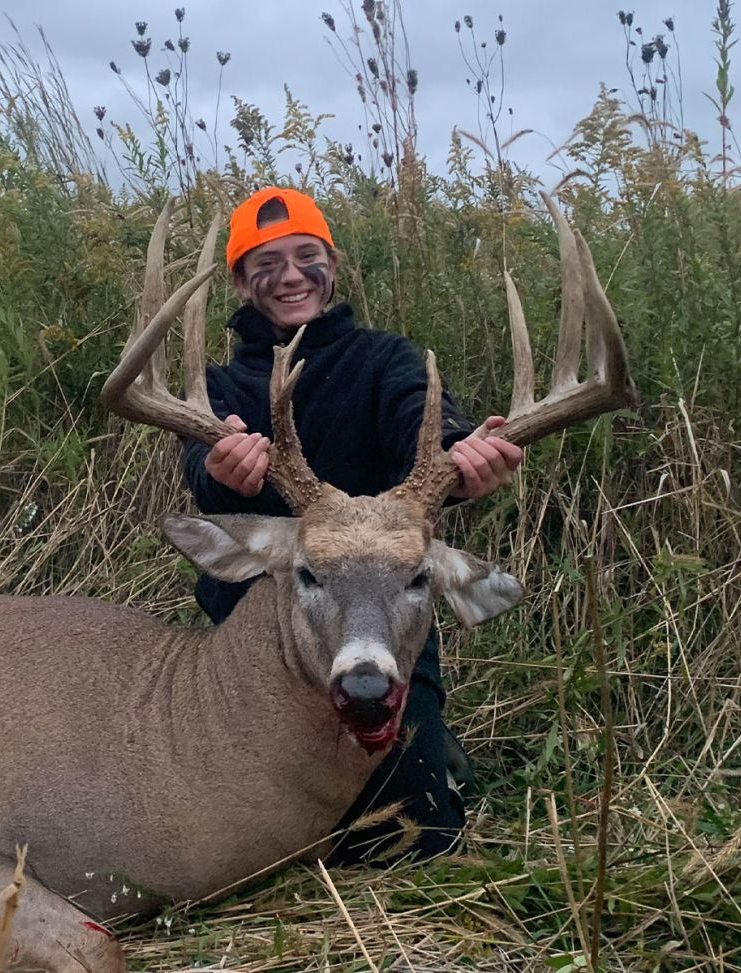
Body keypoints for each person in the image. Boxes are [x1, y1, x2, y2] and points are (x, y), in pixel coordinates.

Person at [182, 186, 524, 864]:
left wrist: (462, 457)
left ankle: (426, 746)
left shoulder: (384, 359)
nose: (291, 276)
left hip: (383, 618)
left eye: (307, 256)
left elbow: (419, 415)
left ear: (332, 267)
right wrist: (222, 472)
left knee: (418, 841)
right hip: (260, 638)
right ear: (240, 282)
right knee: (228, 836)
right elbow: (201, 469)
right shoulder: (221, 387)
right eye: (267, 263)